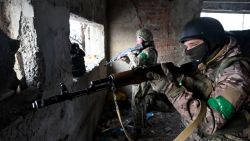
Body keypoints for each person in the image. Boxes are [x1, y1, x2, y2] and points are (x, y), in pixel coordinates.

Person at [148, 17, 250, 141]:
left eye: (193, 45)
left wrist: (171, 90)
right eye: (186, 46)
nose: (189, 51)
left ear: (212, 41)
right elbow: (203, 87)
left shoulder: (236, 75)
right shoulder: (210, 62)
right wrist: (174, 77)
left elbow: (209, 122)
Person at [119, 28, 169, 136]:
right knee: (140, 103)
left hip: (142, 81)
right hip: (141, 79)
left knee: (136, 103)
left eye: (138, 38)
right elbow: (139, 64)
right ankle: (142, 123)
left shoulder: (149, 51)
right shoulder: (145, 50)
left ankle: (137, 130)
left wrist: (129, 53)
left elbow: (137, 62)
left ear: (142, 39)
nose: (136, 40)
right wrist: (127, 60)